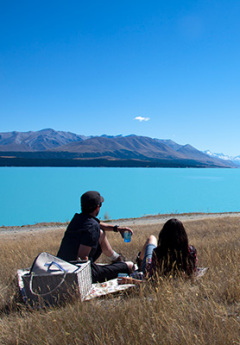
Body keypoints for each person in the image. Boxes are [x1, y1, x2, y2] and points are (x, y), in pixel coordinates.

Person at [57, 191, 135, 283]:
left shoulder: (77, 219)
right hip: (78, 273)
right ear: (98, 207)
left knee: (101, 233)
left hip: (62, 266)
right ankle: (121, 263)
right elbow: (82, 256)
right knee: (130, 266)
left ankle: (117, 259)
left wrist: (117, 229)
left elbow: (98, 224)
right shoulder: (92, 227)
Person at [118, 218, 197, 285]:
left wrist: (130, 281)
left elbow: (151, 282)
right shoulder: (191, 251)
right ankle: (140, 261)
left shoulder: (159, 253)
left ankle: (140, 261)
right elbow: (192, 273)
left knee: (151, 238)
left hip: (148, 268)